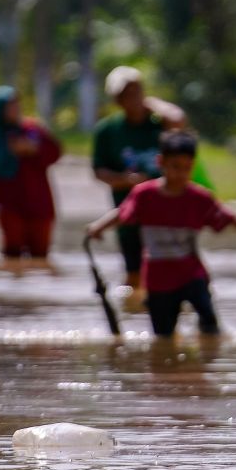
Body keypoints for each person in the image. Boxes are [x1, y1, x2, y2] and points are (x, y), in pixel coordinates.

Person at [85, 129, 236, 338]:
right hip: (157, 279)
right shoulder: (145, 195)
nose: (180, 174)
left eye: (186, 168)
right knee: (163, 337)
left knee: (210, 328)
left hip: (192, 275)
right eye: (175, 167)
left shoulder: (199, 198)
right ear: (160, 162)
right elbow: (122, 214)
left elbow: (233, 219)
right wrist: (98, 227)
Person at [91, 66, 186, 298]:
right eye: (126, 94)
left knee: (169, 268)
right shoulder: (107, 131)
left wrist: (153, 103)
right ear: (117, 99)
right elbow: (99, 171)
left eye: (137, 92)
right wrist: (125, 180)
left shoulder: (159, 124)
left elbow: (179, 120)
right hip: (129, 213)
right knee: (134, 272)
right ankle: (135, 308)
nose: (133, 99)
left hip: (165, 213)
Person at [0, 86, 62, 260]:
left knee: (41, 255)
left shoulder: (31, 129)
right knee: (12, 254)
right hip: (9, 205)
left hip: (39, 202)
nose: (16, 108)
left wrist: (35, 150)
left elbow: (55, 152)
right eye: (10, 105)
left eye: (17, 103)